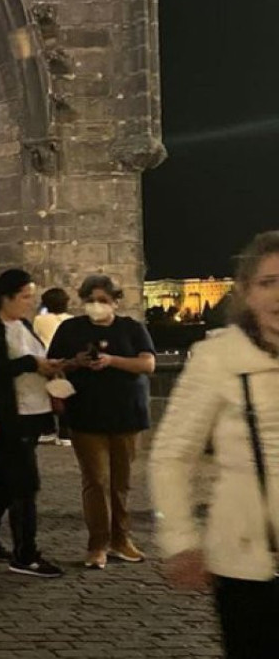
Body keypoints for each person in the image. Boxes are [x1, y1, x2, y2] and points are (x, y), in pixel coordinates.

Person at [150, 230, 279, 659]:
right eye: (267, 282)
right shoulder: (219, 358)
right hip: (250, 564)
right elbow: (171, 454)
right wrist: (180, 537)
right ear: (244, 291)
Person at [47, 275, 155, 569]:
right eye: (91, 301)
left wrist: (111, 361)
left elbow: (148, 364)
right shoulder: (70, 329)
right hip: (86, 415)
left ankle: (122, 539)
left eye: (103, 301)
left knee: (121, 483)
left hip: (127, 415)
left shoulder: (131, 329)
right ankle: (97, 544)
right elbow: (52, 365)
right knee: (96, 481)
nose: (96, 307)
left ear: (115, 302)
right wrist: (76, 362)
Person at [0, 269, 64, 577]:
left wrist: (51, 368)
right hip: (8, 415)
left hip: (32, 412)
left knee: (3, 478)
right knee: (25, 483)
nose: (30, 302)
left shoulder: (23, 324)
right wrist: (30, 364)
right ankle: (26, 553)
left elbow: (34, 358)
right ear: (5, 297)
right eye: (25, 296)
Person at [33, 287, 73, 446]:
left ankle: (47, 430)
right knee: (65, 394)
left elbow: (36, 337)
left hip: (47, 359)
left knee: (45, 395)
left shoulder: (39, 320)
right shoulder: (71, 319)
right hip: (67, 360)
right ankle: (65, 433)